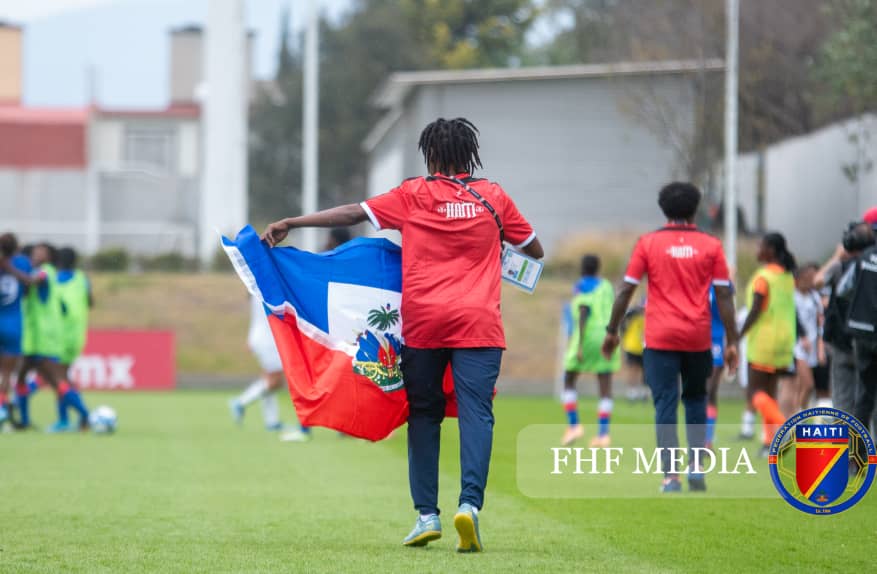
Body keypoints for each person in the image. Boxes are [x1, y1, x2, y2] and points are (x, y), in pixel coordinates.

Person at [262, 117, 543, 552]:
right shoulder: (494, 197)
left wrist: (293, 222)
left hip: (424, 325)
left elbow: (355, 212)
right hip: (480, 324)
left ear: (430, 155)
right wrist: (494, 239)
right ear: (470, 155)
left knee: (424, 416)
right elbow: (534, 250)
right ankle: (469, 506)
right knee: (476, 415)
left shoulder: (413, 194)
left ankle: (426, 514)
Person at [602, 182, 739, 493]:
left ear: (663, 209)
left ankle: (670, 477)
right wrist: (733, 341)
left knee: (664, 402)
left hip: (660, 337)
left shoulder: (648, 243)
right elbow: (725, 295)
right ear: (694, 209)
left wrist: (612, 331)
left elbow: (626, 289)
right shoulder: (711, 245)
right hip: (697, 337)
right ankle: (695, 471)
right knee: (696, 399)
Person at [13, 243, 89, 432]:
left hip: (44, 339)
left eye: (41, 252)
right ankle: (24, 421)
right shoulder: (71, 277)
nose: (37, 254)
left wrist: (7, 268)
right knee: (26, 378)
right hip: (33, 338)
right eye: (35, 251)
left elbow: (33, 281)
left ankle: (86, 416)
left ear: (50, 257)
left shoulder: (45, 272)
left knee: (56, 380)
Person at [739, 233, 797, 456]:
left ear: (770, 250)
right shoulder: (787, 276)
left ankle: (784, 427)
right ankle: (769, 443)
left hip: (764, 342)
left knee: (755, 393)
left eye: (760, 246)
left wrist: (738, 335)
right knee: (770, 395)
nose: (757, 250)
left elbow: (755, 310)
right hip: (784, 342)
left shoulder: (763, 277)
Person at [229, 294, 310, 442]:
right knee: (275, 381)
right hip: (267, 341)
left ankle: (271, 421)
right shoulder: (266, 291)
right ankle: (240, 402)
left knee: (270, 380)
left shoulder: (259, 289)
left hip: (263, 338)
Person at [560, 254, 621, 447]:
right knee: (605, 385)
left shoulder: (581, 286)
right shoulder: (608, 286)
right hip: (607, 336)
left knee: (569, 379)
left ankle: (574, 425)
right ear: (598, 268)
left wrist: (578, 346)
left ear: (582, 268)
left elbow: (584, 311)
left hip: (587, 337)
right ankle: (603, 434)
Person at [55, 246, 93, 425]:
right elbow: (91, 302)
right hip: (77, 335)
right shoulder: (82, 279)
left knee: (57, 378)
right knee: (63, 376)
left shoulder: (54, 280)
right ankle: (69, 418)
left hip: (57, 337)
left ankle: (80, 416)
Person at [0, 233, 32, 428]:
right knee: (7, 373)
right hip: (13, 324)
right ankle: (3, 411)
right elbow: (28, 288)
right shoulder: (22, 263)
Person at [792, 263, 824, 411]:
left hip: (812, 344)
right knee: (808, 384)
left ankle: (795, 416)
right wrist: (802, 336)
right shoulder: (792, 296)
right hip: (797, 345)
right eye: (808, 278)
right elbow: (793, 318)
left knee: (799, 386)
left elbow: (819, 321)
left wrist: (820, 346)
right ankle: (800, 415)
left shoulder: (814, 297)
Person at [619, 300, 648, 402]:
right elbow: (622, 325)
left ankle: (644, 392)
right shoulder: (632, 315)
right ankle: (632, 392)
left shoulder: (650, 316)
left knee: (645, 370)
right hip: (631, 346)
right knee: (632, 369)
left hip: (645, 346)